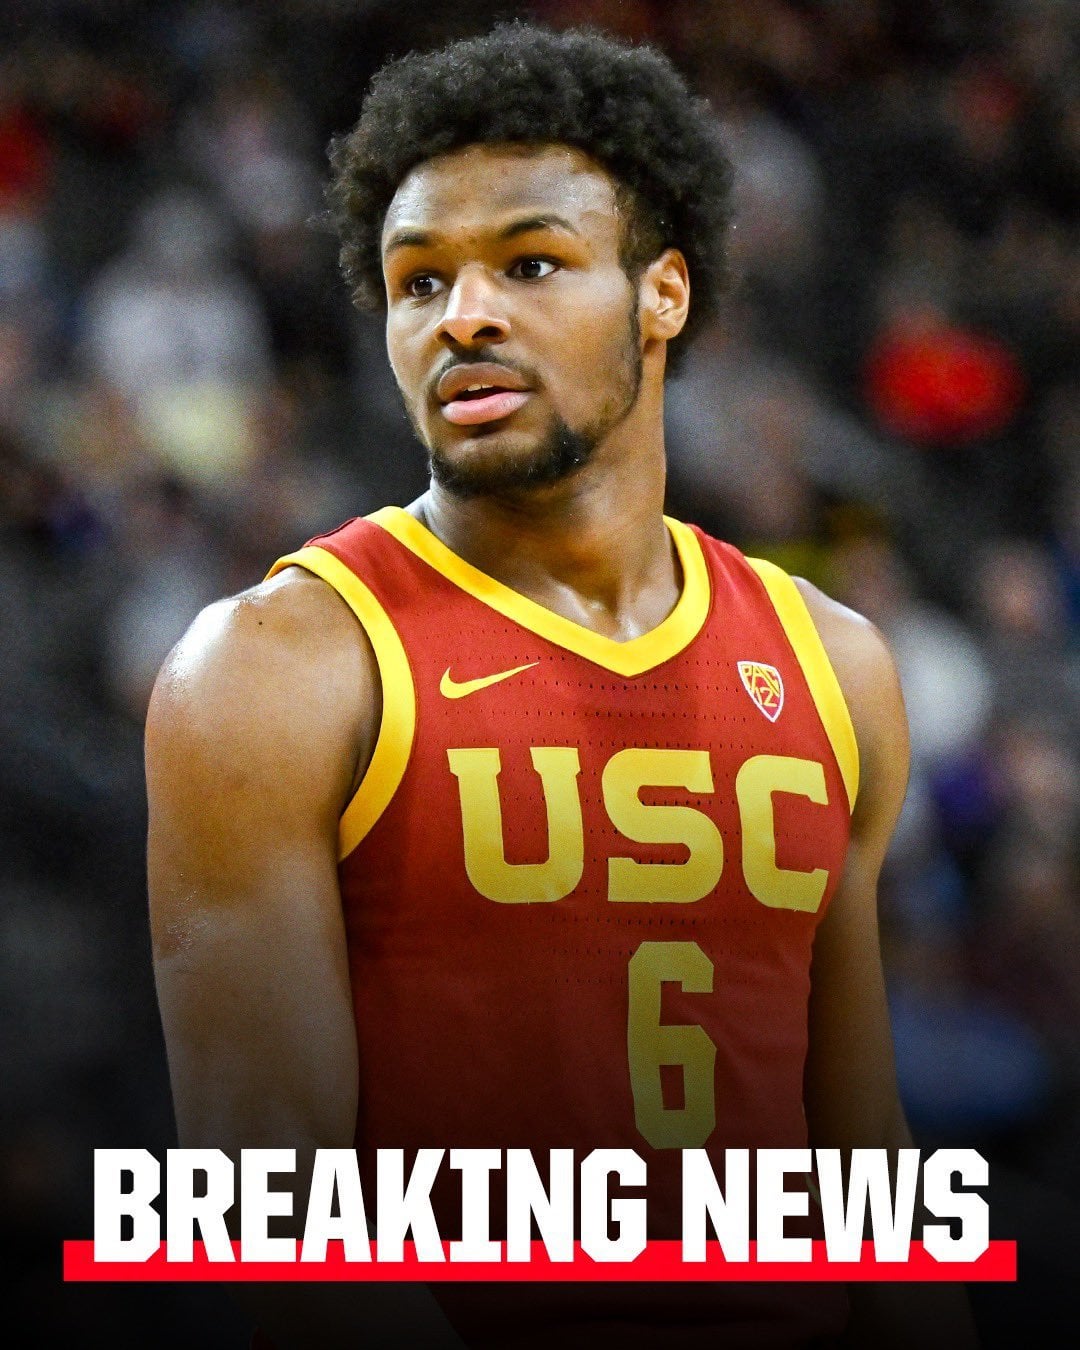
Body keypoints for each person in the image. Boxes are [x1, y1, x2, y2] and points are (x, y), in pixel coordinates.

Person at [146, 22, 978, 1350]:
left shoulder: (834, 664)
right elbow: (273, 1219)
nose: (462, 315)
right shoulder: (274, 666)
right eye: (419, 281)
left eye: (530, 263)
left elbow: (865, 1166)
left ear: (663, 294)